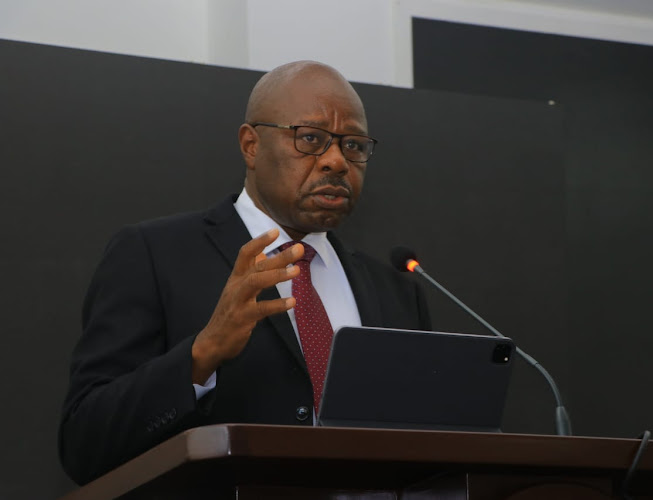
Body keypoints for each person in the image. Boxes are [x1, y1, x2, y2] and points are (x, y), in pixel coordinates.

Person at [58, 61, 431, 485]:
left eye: (353, 146)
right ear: (251, 145)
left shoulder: (397, 291)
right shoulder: (155, 255)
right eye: (311, 139)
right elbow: (84, 443)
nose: (336, 161)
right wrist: (201, 354)